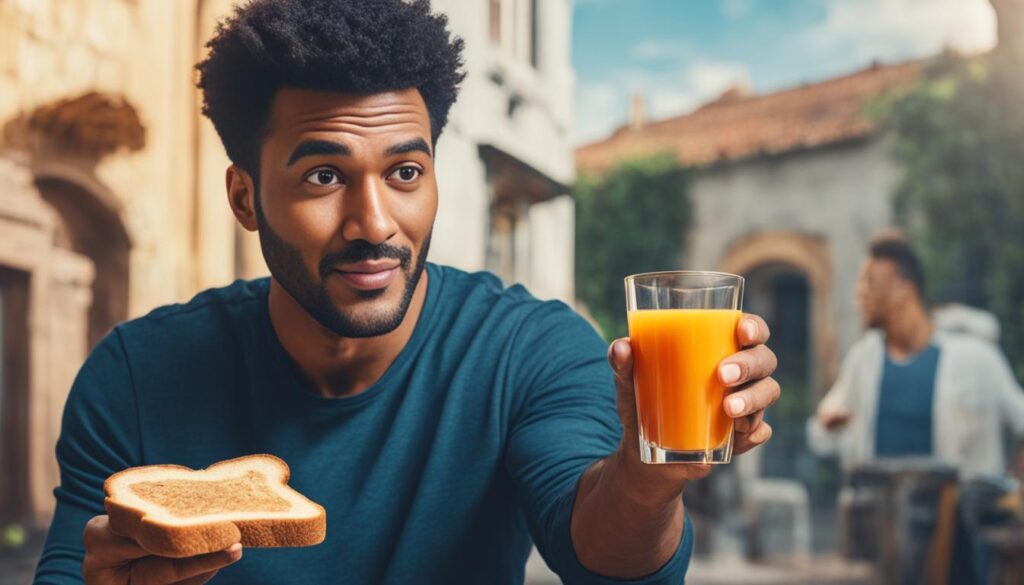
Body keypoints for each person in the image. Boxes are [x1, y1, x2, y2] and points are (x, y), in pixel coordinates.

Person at [33, 1, 780, 583]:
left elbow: (598, 554)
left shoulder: (530, 348)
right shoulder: (134, 372)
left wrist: (648, 482)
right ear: (245, 197)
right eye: (324, 176)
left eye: (405, 172)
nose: (375, 222)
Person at [808, 232, 1024, 478]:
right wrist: (828, 424)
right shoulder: (863, 359)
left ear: (904, 290)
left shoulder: (978, 359)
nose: (860, 295)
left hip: (958, 512)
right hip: (883, 511)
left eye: (869, 283)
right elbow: (821, 433)